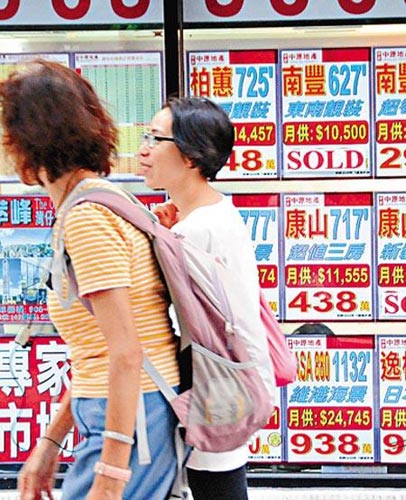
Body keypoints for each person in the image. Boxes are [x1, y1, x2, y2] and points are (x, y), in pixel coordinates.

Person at [0, 60, 181, 500]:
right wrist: (50, 442)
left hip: (130, 418)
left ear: (26, 141)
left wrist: (111, 474)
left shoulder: (88, 219)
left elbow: (126, 353)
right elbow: (98, 352)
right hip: (128, 411)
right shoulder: (96, 201)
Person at [138, 96, 273, 500]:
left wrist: (166, 243)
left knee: (215, 484)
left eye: (155, 138)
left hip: (214, 385)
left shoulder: (195, 231)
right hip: (232, 379)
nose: (143, 149)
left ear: (191, 156)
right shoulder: (214, 214)